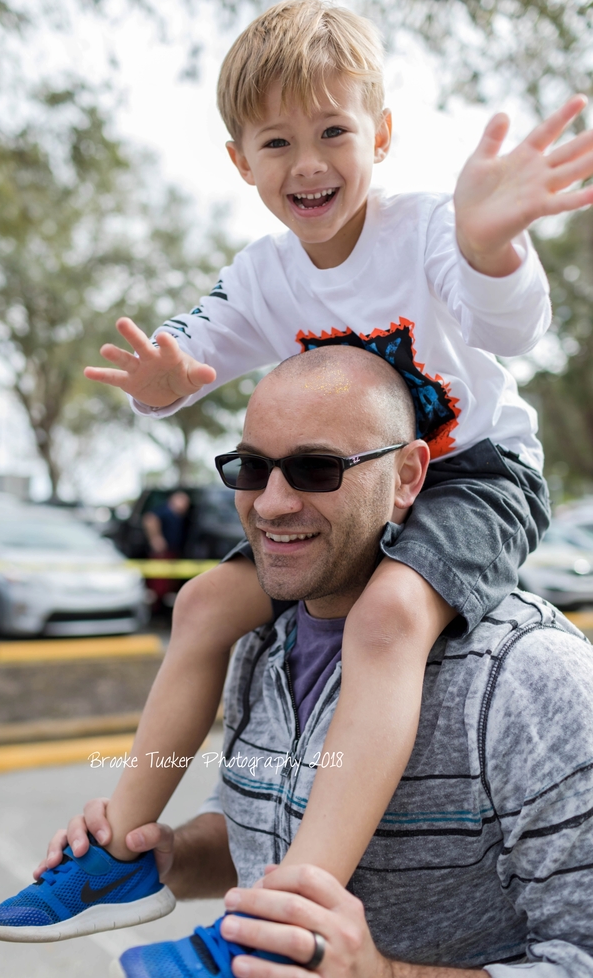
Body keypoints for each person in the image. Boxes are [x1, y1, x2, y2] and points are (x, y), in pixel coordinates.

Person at [0, 0, 593, 940]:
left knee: (390, 615)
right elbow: (189, 352)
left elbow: (511, 327)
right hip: (338, 485)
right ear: (241, 162)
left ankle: (285, 912)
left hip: (476, 470)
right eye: (276, 142)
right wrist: (163, 382)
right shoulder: (268, 271)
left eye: (333, 131)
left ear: (381, 135)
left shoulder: (432, 227)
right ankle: (123, 852)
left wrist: (490, 244)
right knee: (202, 604)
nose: (307, 163)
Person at [43, 348, 593, 977]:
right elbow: (261, 826)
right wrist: (166, 853)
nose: (272, 503)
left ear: (409, 477)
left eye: (316, 468)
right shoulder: (257, 641)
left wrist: (383, 975)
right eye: (253, 467)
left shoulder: (531, 679)